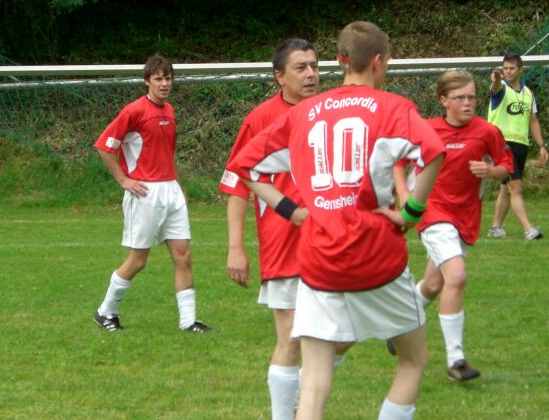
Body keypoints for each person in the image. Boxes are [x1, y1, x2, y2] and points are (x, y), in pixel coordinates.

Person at [228, 21, 445, 420]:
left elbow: (246, 167)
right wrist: (411, 213)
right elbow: (432, 151)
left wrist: (293, 212)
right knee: (413, 360)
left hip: (318, 258)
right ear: (378, 61)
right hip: (376, 253)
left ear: (340, 60)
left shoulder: (303, 113)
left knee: (313, 380)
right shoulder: (392, 107)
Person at [219, 38, 324, 420]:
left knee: (341, 333)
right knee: (291, 336)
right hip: (283, 242)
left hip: (332, 239)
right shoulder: (261, 118)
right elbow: (238, 185)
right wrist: (236, 247)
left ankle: (304, 401)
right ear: (279, 76)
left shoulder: (330, 111)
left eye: (314, 66)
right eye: (301, 67)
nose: (311, 74)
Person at [392, 70, 514, 381]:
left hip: (466, 217)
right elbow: (398, 161)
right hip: (432, 212)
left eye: (472, 97)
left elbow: (506, 167)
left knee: (434, 285)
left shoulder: (487, 131)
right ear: (443, 100)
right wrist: (405, 195)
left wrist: (490, 171)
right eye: (460, 98)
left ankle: (399, 326)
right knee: (456, 277)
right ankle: (455, 360)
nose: (468, 103)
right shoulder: (427, 129)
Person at [92, 53, 211, 333]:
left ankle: (188, 321)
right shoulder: (133, 111)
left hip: (171, 191)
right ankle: (105, 311)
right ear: (147, 81)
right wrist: (123, 180)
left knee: (183, 255)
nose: (164, 83)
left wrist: (177, 186)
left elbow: (165, 155)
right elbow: (104, 146)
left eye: (168, 78)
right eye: (158, 79)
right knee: (138, 260)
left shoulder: (169, 110)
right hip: (145, 193)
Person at [487, 54, 549, 241]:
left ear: (521, 70)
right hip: (502, 144)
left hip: (521, 145)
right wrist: (496, 80)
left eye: (512, 68)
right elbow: (495, 87)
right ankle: (528, 229)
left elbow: (533, 120)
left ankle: (495, 227)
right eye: (505, 68)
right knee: (516, 187)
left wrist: (542, 145)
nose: (508, 72)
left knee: (507, 188)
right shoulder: (501, 88)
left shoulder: (528, 93)